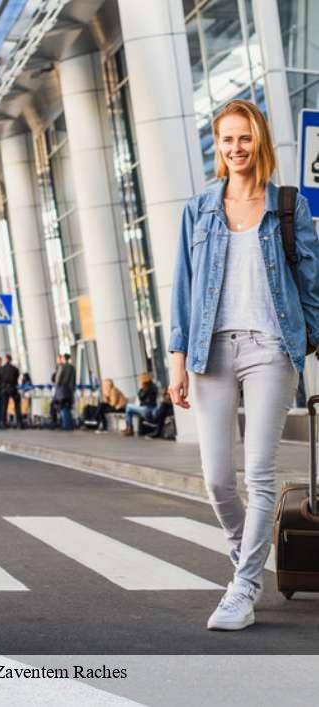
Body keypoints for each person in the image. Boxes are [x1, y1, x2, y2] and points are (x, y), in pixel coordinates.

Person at [169, 99, 319, 631]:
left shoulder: (288, 205)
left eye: (244, 138)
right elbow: (184, 288)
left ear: (260, 142)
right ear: (218, 146)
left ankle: (244, 588)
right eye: (226, 139)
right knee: (215, 479)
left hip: (270, 350)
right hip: (212, 350)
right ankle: (245, 561)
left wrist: (305, 342)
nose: (235, 148)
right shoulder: (199, 208)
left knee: (259, 473)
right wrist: (178, 361)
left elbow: (311, 284)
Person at [0, 354, 23, 429]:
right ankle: (19, 422)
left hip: (5, 389)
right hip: (13, 388)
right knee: (17, 405)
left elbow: (0, 379)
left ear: (6, 359)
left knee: (4, 406)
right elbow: (17, 377)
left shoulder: (1, 369)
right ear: (10, 359)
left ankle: (3, 422)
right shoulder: (15, 369)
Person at [55, 353, 76, 430]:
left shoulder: (62, 367)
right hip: (70, 389)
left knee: (63, 407)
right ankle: (70, 424)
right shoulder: (72, 367)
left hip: (63, 389)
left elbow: (58, 379)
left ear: (64, 359)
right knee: (67, 407)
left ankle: (66, 425)